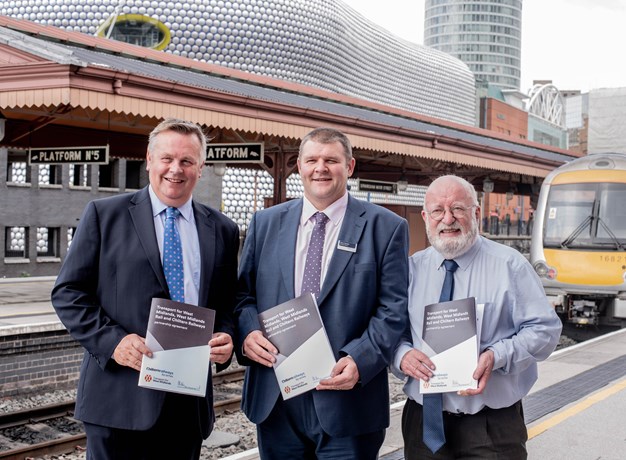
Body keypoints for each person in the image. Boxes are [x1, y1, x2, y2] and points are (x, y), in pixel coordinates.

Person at [51, 118, 240, 459]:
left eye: (187, 161)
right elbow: (68, 293)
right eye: (167, 158)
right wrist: (114, 342)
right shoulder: (104, 215)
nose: (175, 169)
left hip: (187, 402)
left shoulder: (222, 229)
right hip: (118, 398)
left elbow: (225, 303)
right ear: (149, 159)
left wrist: (226, 336)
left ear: (201, 167)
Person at [235, 127, 409, 459]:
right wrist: (248, 332)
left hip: (348, 399)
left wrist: (361, 359)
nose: (321, 168)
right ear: (299, 166)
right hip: (276, 399)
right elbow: (242, 296)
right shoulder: (266, 223)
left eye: (331, 160)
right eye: (312, 160)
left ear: (350, 166)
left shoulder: (386, 227)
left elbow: (394, 310)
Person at [392, 174, 562, 459]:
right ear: (425, 216)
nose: (448, 219)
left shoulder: (510, 265)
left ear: (477, 213)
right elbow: (391, 329)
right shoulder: (411, 270)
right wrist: (402, 355)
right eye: (438, 211)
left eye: (458, 208)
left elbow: (545, 330)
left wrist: (498, 356)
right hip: (423, 420)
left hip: (491, 423)